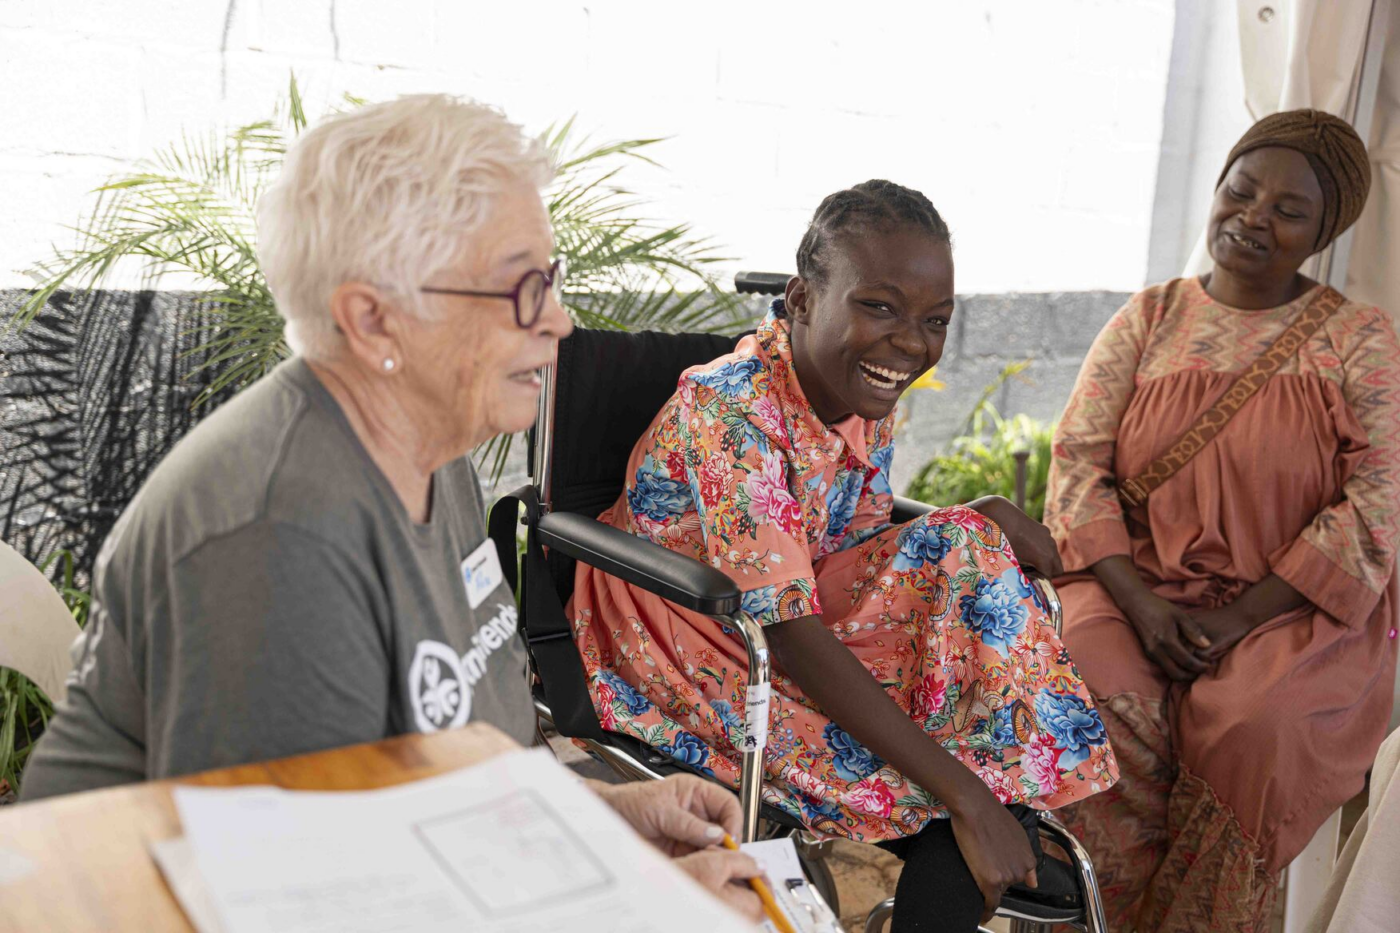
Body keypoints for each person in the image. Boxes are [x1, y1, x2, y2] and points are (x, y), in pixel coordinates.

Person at [20, 94, 763, 921]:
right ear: (373, 318)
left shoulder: (432, 455)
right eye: (520, 288)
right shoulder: (282, 538)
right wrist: (640, 905)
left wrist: (606, 823)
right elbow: (315, 901)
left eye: (549, 281)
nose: (559, 320)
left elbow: (454, 769)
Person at [570, 180, 1119, 931]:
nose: (910, 344)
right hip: (690, 632)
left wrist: (978, 519)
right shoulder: (728, 410)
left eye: (936, 319)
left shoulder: (862, 393)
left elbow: (856, 549)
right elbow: (790, 633)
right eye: (880, 306)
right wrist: (968, 794)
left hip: (800, 609)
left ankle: (973, 832)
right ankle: (973, 832)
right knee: (943, 768)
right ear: (800, 301)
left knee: (963, 542)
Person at [1044, 109, 1400, 933]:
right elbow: (1079, 464)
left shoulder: (1358, 340)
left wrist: (1238, 616)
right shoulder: (1149, 319)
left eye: (1287, 209)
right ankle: (1086, 912)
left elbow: (1381, 496)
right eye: (1240, 191)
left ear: (1323, 230)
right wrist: (1141, 604)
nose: (1252, 217)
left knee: (1256, 726)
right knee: (1088, 687)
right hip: (1132, 585)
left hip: (1288, 610)